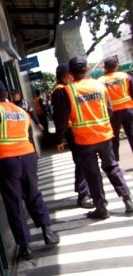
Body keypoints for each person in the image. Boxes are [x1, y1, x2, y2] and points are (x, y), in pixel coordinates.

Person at [0, 80, 59, 260]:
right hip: (27, 157)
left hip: (7, 160)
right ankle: (47, 232)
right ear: (6, 94)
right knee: (33, 194)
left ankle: (25, 247)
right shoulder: (21, 111)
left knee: (14, 201)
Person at [52, 56, 133, 219]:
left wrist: (60, 138)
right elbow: (109, 109)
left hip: (84, 139)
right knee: (112, 167)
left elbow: (62, 118)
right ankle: (128, 200)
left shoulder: (67, 91)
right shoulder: (100, 85)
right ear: (87, 69)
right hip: (104, 135)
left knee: (92, 173)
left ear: (70, 73)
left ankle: (101, 208)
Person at [52, 63, 92, 208]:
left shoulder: (63, 89)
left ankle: (86, 191)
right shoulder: (60, 91)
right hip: (71, 131)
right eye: (71, 74)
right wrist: (60, 138)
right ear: (67, 75)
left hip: (74, 131)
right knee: (81, 162)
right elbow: (60, 117)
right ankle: (83, 194)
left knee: (83, 161)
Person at [98, 56, 133, 161]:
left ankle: (115, 161)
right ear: (117, 66)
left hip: (111, 113)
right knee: (132, 134)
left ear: (105, 67)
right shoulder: (125, 76)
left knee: (113, 138)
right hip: (128, 110)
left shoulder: (100, 81)